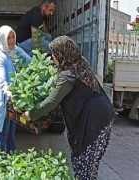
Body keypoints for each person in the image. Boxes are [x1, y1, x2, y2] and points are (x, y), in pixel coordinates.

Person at [21, 36, 115, 179]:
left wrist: (31, 114)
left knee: (85, 164)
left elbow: (51, 102)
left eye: (54, 53)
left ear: (62, 53)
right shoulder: (79, 62)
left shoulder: (68, 76)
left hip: (93, 119)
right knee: (90, 164)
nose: (52, 57)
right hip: (103, 114)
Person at [0, 25, 31, 153]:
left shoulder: (16, 51)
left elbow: (31, 62)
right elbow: (2, 81)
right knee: (3, 133)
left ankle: (12, 160)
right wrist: (10, 94)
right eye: (8, 38)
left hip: (12, 99)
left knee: (11, 132)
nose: (11, 41)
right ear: (2, 40)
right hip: (3, 98)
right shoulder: (0, 57)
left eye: (13, 37)